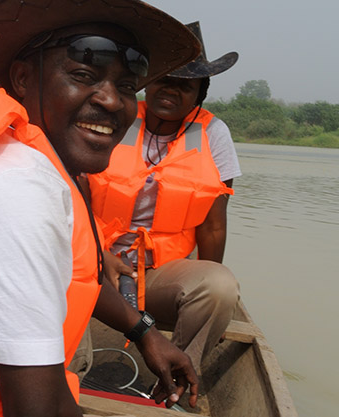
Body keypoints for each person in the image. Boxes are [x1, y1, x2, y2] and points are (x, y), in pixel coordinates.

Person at [0, 0, 203, 416]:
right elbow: (37, 408)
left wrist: (143, 331)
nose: (113, 102)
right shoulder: (17, 186)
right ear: (22, 78)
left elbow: (71, 272)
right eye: (83, 74)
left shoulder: (26, 157)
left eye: (125, 86)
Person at [87, 21, 242, 375]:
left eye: (185, 85)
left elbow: (214, 225)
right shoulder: (116, 112)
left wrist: (212, 299)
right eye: (163, 80)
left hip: (161, 274)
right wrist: (96, 254)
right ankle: (67, 371)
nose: (171, 91)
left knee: (219, 287)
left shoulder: (214, 133)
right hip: (96, 262)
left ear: (199, 93)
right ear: (147, 82)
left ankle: (179, 372)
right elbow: (75, 192)